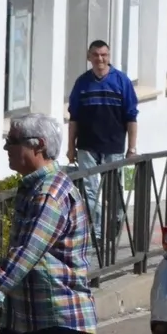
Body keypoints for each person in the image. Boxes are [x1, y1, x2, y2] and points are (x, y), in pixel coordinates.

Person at [0, 113, 140, 334]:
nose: (5, 147)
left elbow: (27, 252)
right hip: (27, 324)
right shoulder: (35, 188)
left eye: (11, 141)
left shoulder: (50, 194)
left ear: (36, 146)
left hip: (57, 322)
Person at [66, 40, 139, 244]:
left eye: (104, 55)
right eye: (96, 55)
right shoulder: (82, 83)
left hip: (114, 146)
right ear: (89, 57)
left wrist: (132, 148)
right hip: (87, 146)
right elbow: (74, 118)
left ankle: (116, 219)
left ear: (109, 56)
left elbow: (131, 117)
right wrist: (71, 147)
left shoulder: (121, 81)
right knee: (90, 191)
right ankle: (96, 232)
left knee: (114, 189)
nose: (100, 59)